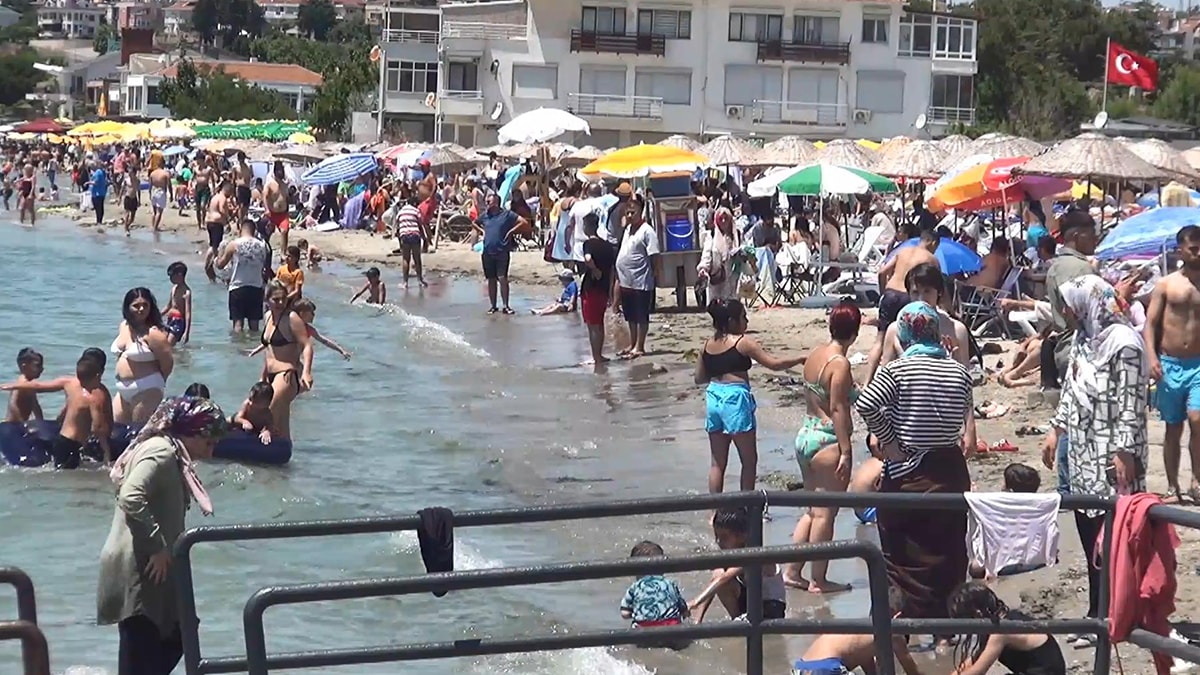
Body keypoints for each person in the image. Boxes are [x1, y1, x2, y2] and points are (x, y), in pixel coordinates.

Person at [1040, 275, 1147, 642]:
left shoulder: (1124, 343)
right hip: (1084, 452)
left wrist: (1124, 451)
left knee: (1115, 536)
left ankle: (1118, 615)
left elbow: (1132, 401)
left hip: (1114, 454)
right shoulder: (1085, 338)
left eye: (1070, 304)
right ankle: (1097, 613)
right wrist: (1056, 430)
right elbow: (1072, 389)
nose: (1066, 311)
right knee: (1091, 537)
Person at [855, 301, 974, 628]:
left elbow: (866, 403)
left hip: (907, 474)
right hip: (949, 471)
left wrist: (890, 440)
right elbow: (962, 413)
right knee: (948, 554)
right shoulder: (959, 372)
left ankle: (898, 630)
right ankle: (946, 631)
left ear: (904, 335)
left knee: (900, 558)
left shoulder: (896, 371)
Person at [97, 396, 226, 675]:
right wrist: (157, 546)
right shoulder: (161, 452)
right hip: (141, 563)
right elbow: (131, 496)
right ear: (191, 433)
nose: (210, 453)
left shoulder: (170, 452)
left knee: (178, 631)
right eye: (208, 443)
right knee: (144, 648)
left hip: (154, 564)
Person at [694, 299, 806, 493]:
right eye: (743, 317)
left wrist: (718, 368)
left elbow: (699, 378)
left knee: (717, 463)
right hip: (735, 400)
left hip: (713, 397)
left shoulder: (706, 346)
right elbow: (773, 364)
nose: (747, 321)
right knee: (748, 460)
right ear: (731, 321)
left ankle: (715, 508)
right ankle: (747, 505)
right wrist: (800, 358)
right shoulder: (743, 343)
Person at [787, 301, 859, 593]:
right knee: (825, 514)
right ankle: (819, 579)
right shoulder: (839, 364)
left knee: (811, 511)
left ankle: (793, 571)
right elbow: (838, 408)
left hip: (806, 435)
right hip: (828, 440)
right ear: (854, 333)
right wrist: (846, 451)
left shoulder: (815, 354)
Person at [1143, 224, 1200, 504]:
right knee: (1173, 428)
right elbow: (1150, 324)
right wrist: (1152, 358)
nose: (1198, 254)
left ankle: (1197, 480)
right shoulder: (1166, 284)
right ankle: (1172, 485)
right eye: (1194, 249)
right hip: (1170, 364)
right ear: (1181, 250)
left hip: (1198, 365)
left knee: (1197, 419)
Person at [1, 354, 106, 469]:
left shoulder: (69, 382)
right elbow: (98, 428)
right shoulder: (95, 397)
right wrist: (105, 449)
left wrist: (10, 386)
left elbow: (38, 386)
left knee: (62, 471)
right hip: (73, 443)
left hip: (62, 439)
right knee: (68, 473)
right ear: (98, 374)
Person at [866, 228, 941, 382]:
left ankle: (868, 382)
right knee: (907, 340)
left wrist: (883, 292)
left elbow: (882, 272)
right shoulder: (931, 259)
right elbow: (938, 285)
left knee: (880, 340)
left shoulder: (902, 251)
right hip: (909, 297)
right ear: (933, 243)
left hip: (890, 294)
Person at [688, 507, 787, 622]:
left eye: (724, 537)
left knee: (722, 577)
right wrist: (699, 618)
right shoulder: (732, 553)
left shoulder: (752, 552)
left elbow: (724, 578)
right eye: (716, 536)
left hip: (771, 607)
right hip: (750, 601)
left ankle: (741, 623)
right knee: (718, 572)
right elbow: (717, 579)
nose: (718, 541)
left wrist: (696, 601)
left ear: (742, 536)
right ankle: (736, 619)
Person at [797, 587, 924, 675]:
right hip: (827, 668)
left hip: (801, 667)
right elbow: (912, 671)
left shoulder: (861, 626)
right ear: (898, 617)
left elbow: (867, 664)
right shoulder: (894, 634)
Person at [946, 582, 1066, 675]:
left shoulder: (1001, 633)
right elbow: (973, 660)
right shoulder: (998, 620)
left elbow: (977, 671)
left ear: (977, 613)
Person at [258, 279, 314, 440]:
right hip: (270, 376)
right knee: (281, 427)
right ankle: (284, 450)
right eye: (276, 299)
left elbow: (307, 346)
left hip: (287, 375)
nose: (281, 303)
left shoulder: (291, 318)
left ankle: (263, 441)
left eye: (283, 298)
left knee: (265, 417)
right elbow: (269, 350)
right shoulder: (268, 316)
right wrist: (263, 376)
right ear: (267, 300)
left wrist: (307, 372)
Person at [111, 288, 174, 425]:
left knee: (138, 432)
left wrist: (157, 381)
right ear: (127, 307)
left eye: (145, 305)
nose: (141, 309)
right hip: (122, 391)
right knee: (116, 432)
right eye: (136, 305)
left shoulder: (153, 334)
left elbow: (168, 362)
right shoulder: (124, 326)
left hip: (147, 389)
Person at [614, 194, 660, 359]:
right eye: (627, 212)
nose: (629, 215)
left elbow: (654, 256)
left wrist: (655, 274)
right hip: (626, 281)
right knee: (630, 315)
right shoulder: (627, 230)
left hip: (641, 281)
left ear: (640, 211)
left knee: (641, 316)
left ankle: (640, 346)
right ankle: (632, 344)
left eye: (633, 212)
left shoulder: (647, 231)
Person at [215, 219, 270, 334]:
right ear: (254, 231)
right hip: (256, 287)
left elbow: (220, 265)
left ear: (240, 228)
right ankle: (253, 345)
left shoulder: (234, 244)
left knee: (238, 325)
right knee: (254, 326)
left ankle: (237, 345)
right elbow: (265, 269)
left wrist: (217, 256)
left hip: (238, 287)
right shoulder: (263, 246)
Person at [476, 191, 526, 314]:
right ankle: (493, 306)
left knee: (502, 278)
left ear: (496, 202)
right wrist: (482, 231)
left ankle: (506, 306)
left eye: (489, 201)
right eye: (486, 201)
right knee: (491, 279)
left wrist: (511, 232)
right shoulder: (485, 216)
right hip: (487, 252)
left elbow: (523, 222)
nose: (487, 203)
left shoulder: (506, 215)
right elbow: (474, 223)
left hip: (502, 251)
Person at [619, 540, 689, 628]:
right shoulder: (670, 584)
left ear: (634, 568)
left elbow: (624, 613)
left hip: (644, 627)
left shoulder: (636, 587)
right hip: (671, 626)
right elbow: (684, 610)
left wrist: (637, 612)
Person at [581, 212, 619, 363]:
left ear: (587, 226)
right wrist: (610, 292)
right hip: (604, 289)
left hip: (591, 289)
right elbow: (612, 271)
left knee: (592, 325)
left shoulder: (588, 244)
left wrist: (595, 269)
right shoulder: (607, 246)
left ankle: (596, 357)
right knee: (599, 322)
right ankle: (600, 354)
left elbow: (588, 258)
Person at [698, 207, 739, 303]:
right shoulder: (711, 236)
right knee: (717, 308)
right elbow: (706, 254)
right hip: (716, 281)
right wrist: (703, 268)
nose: (723, 221)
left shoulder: (736, 236)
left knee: (732, 307)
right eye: (721, 219)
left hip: (733, 282)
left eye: (726, 218)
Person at [393, 195, 429, 287]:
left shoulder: (401, 212)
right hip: (415, 235)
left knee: (406, 259)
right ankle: (420, 281)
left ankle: (405, 283)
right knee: (417, 258)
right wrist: (425, 239)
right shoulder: (415, 211)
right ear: (414, 203)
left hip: (404, 236)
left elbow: (397, 227)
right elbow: (421, 225)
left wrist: (399, 241)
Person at [203, 180, 235, 281]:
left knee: (213, 245)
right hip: (217, 223)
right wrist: (228, 217)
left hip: (209, 221)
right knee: (215, 246)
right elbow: (222, 210)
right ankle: (209, 265)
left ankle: (210, 265)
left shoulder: (215, 196)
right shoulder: (222, 198)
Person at [4, 348, 44, 423]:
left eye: (41, 365)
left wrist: (41, 422)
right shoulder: (22, 382)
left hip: (20, 423)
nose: (42, 369)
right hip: (12, 424)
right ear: (24, 367)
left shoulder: (30, 384)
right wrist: (22, 424)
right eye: (37, 366)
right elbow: (13, 404)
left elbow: (35, 406)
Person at [264, 160, 291, 253]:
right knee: (267, 233)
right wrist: (266, 209)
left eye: (282, 170)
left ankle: (283, 252)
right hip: (272, 213)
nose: (281, 172)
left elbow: (286, 199)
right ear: (275, 171)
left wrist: (287, 211)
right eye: (279, 170)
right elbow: (265, 196)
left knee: (284, 231)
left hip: (283, 214)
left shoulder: (284, 185)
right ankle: (265, 250)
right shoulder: (270, 184)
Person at [164, 262, 192, 346]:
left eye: (172, 276)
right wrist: (157, 315)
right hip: (170, 320)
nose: (170, 279)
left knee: (169, 345)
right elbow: (168, 306)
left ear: (180, 275)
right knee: (163, 343)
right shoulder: (174, 289)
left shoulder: (186, 293)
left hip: (178, 322)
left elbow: (188, 313)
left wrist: (187, 332)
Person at [148, 164, 170, 232]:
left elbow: (150, 185)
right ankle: (155, 228)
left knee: (154, 212)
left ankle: (153, 226)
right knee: (159, 212)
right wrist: (171, 195)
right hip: (161, 192)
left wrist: (150, 193)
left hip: (154, 191)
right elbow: (169, 185)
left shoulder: (152, 173)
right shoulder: (165, 174)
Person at [88, 161, 108, 226]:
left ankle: (98, 221)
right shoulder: (102, 172)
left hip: (97, 193)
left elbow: (96, 182)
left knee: (98, 208)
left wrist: (88, 182)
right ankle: (99, 221)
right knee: (100, 208)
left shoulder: (98, 172)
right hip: (102, 192)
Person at [122, 169, 140, 235]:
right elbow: (122, 189)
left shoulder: (137, 181)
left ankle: (127, 226)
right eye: (129, 173)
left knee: (132, 217)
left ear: (134, 173)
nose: (129, 174)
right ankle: (126, 229)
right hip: (127, 197)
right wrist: (119, 198)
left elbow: (138, 190)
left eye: (131, 173)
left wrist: (139, 200)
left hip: (134, 198)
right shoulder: (126, 180)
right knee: (127, 214)